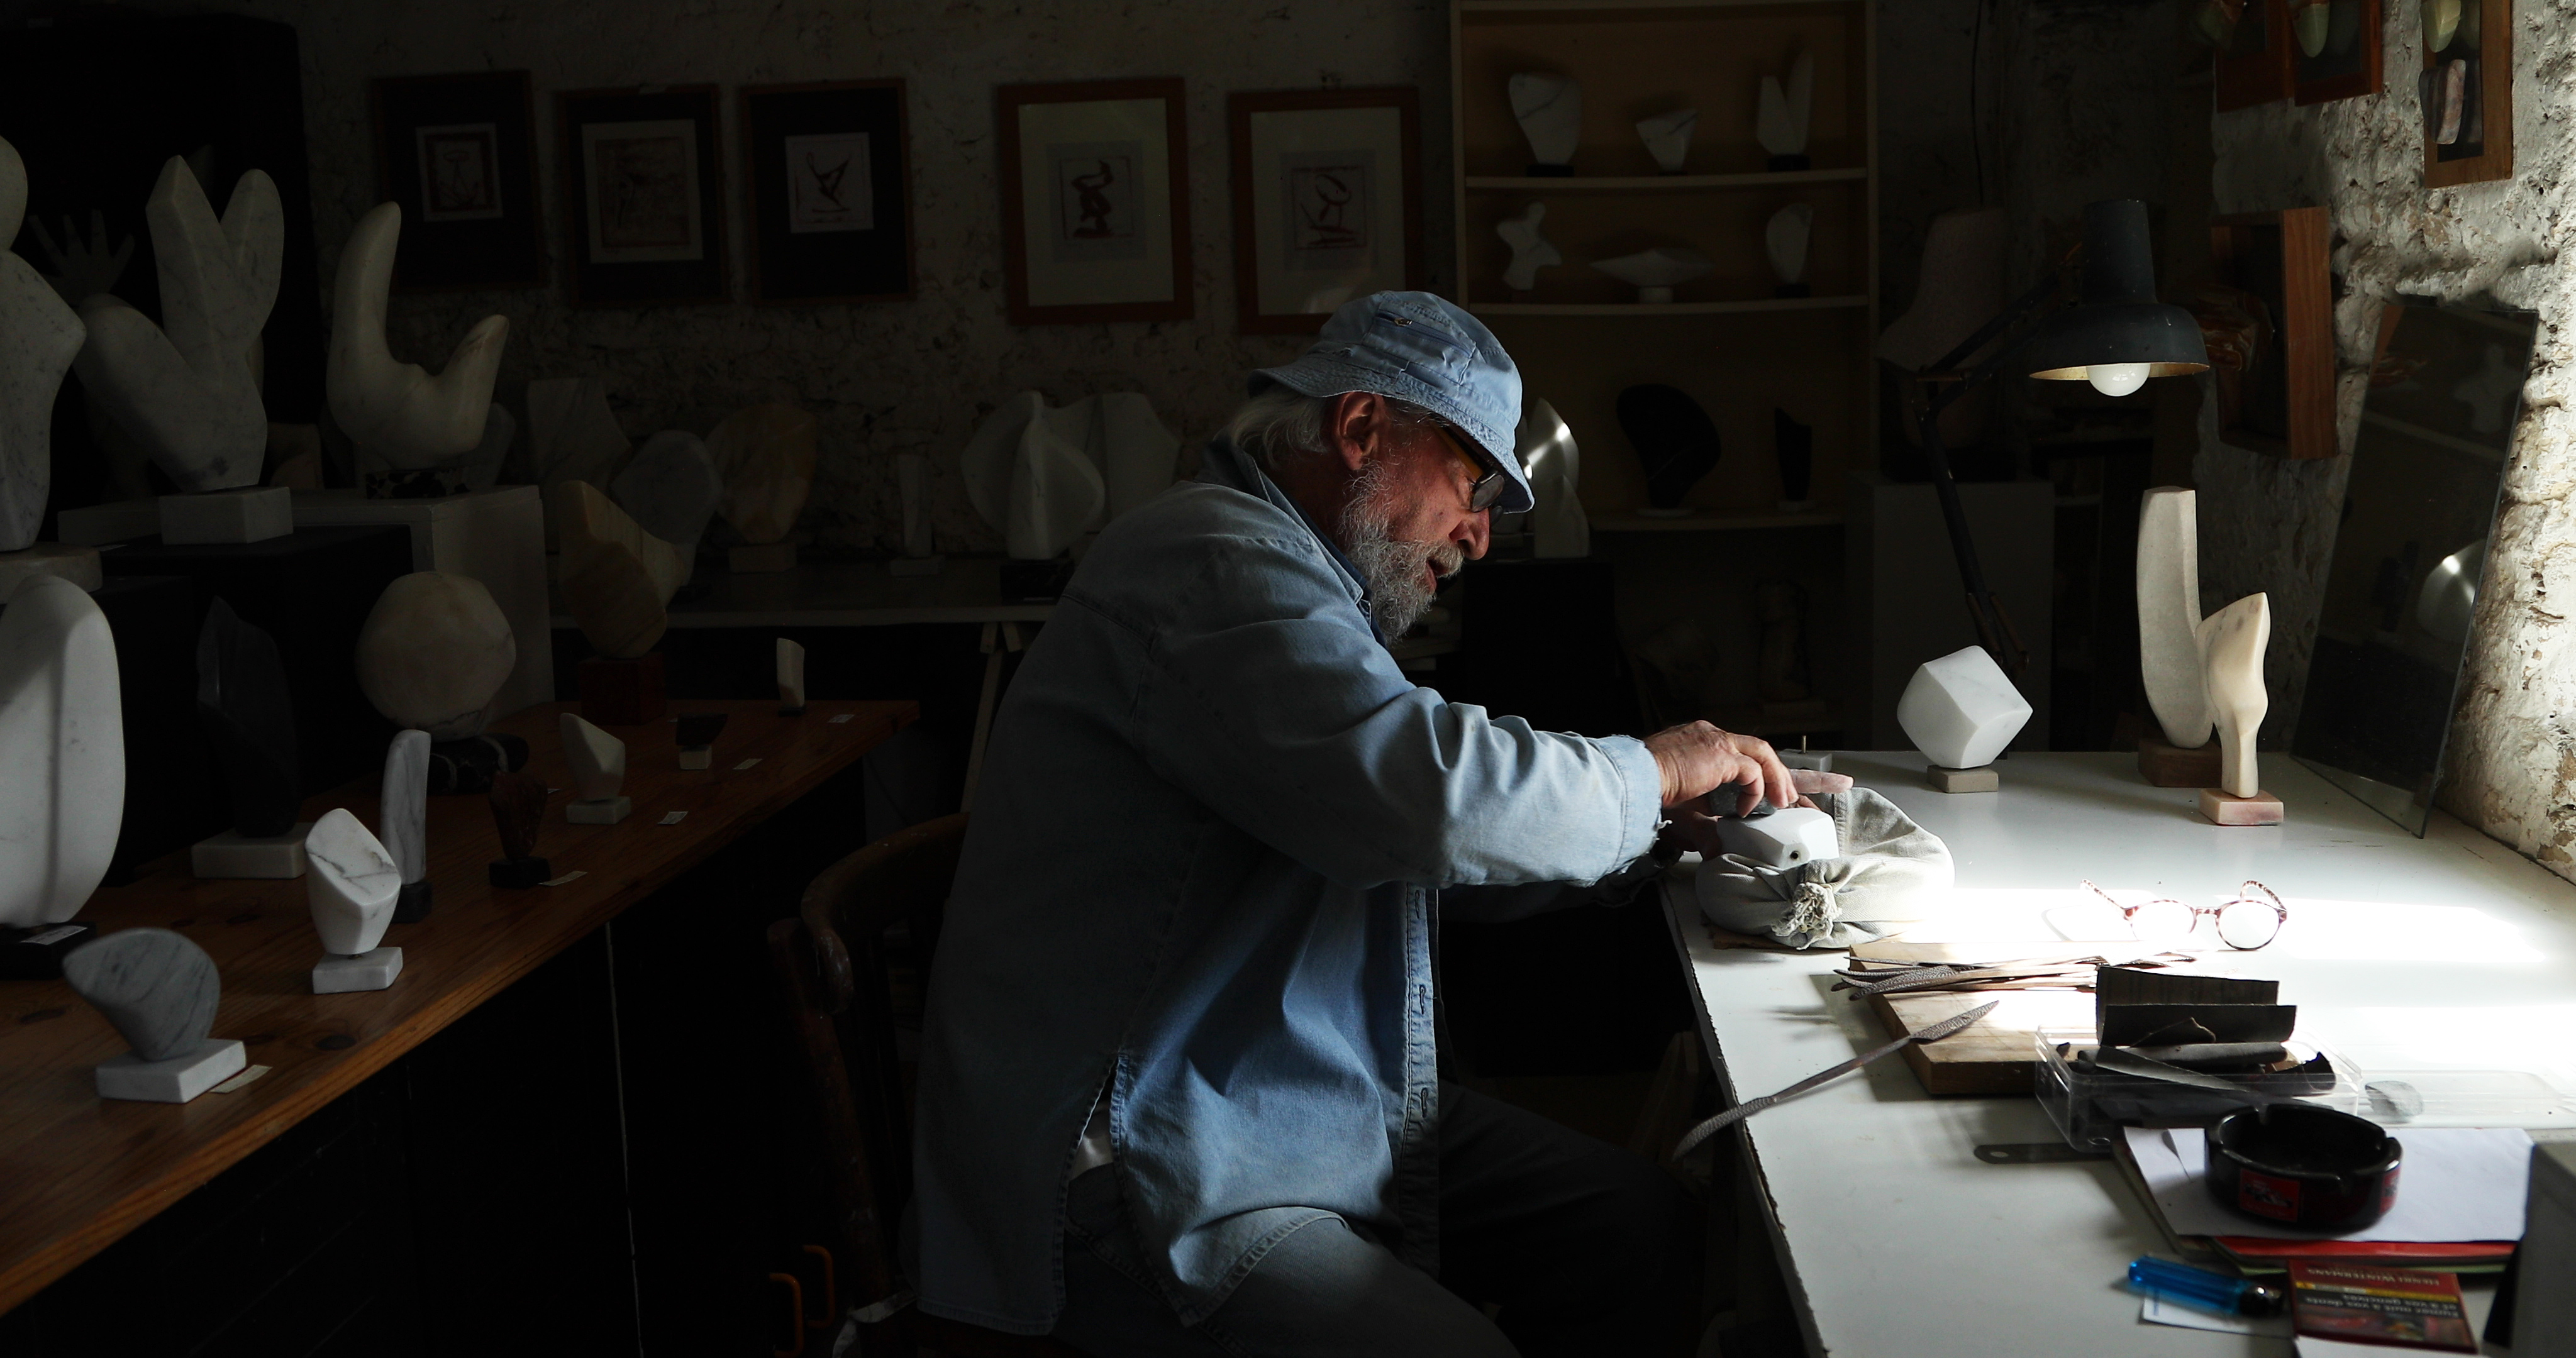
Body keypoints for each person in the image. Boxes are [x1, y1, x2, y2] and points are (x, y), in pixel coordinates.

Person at [913, 292, 1847, 1356]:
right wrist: (1659, 771)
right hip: (1148, 1151)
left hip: (1281, 1102)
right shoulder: (1212, 563)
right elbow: (1432, 798)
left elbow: (1413, 836)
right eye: (1473, 483)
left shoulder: (1300, 587)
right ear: (1362, 431)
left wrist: (1653, 834)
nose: (1481, 537)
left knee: (1639, 1229)